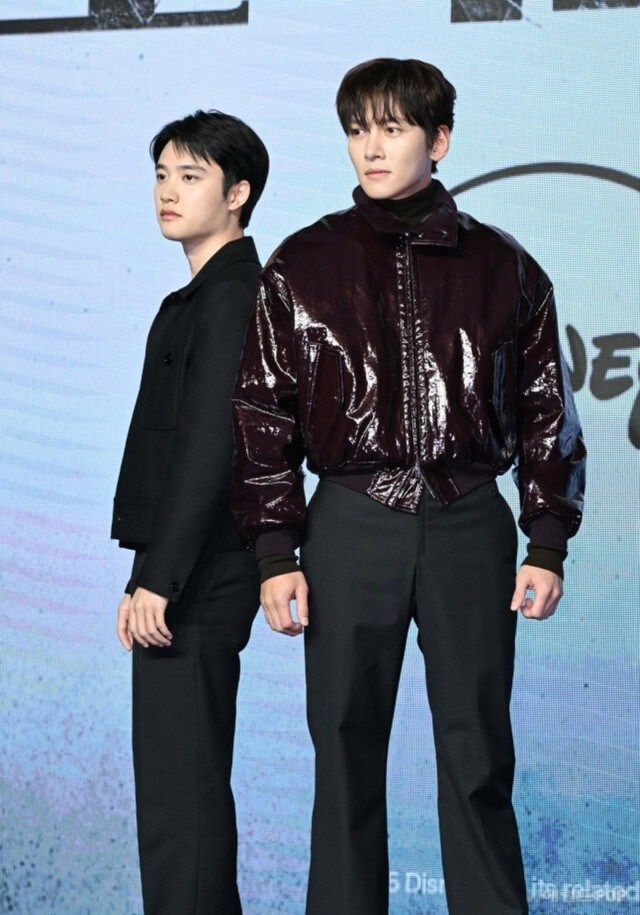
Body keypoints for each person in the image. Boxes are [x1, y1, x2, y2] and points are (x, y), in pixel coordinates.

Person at [230, 59, 585, 915]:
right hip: (350, 523)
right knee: (344, 752)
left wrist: (546, 541)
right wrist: (276, 550)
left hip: (470, 521)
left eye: (392, 128)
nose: (372, 147)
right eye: (358, 130)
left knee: (477, 752)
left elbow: (547, 406)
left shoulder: (505, 266)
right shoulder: (302, 263)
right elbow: (261, 410)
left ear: (440, 139)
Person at [111, 109, 269, 915]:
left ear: (237, 193)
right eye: (162, 175)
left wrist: (161, 577)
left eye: (191, 176)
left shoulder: (234, 295)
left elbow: (211, 446)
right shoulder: (207, 293)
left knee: (186, 791)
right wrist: (148, 570)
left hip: (203, 570)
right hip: (181, 566)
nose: (168, 192)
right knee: (177, 788)